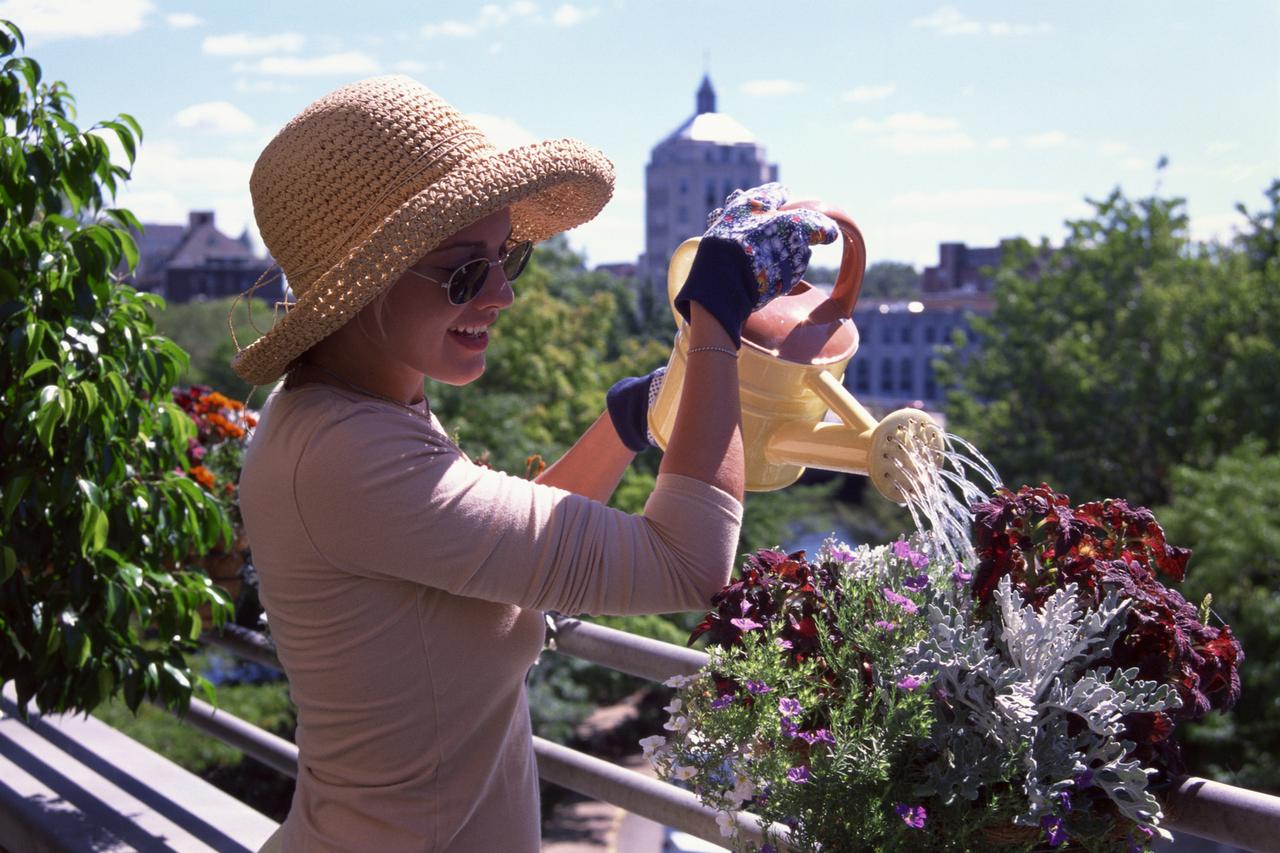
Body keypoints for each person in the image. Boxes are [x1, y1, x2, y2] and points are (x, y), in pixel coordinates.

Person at [231, 75, 836, 853]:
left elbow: (497, 551)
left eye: (504, 256)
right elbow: (688, 563)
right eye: (461, 272)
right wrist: (716, 314)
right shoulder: (348, 456)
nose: (499, 295)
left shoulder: (353, 408)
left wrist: (624, 423)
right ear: (365, 283)